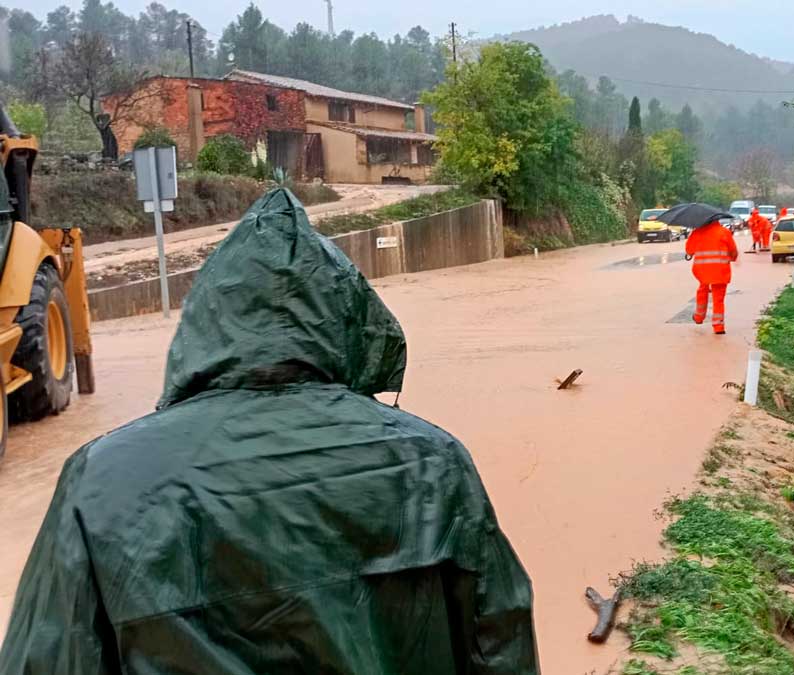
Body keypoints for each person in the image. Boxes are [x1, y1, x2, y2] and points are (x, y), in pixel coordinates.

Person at [0, 189, 539, 675]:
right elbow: (499, 647)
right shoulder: (433, 464)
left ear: (206, 322)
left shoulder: (98, 483)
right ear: (348, 319)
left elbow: (47, 658)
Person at [685, 217, 740, 334]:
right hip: (720, 271)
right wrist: (733, 258)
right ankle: (718, 326)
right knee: (718, 299)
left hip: (702, 271)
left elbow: (689, 250)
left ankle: (699, 317)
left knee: (702, 290)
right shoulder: (724, 232)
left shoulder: (697, 232)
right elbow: (733, 251)